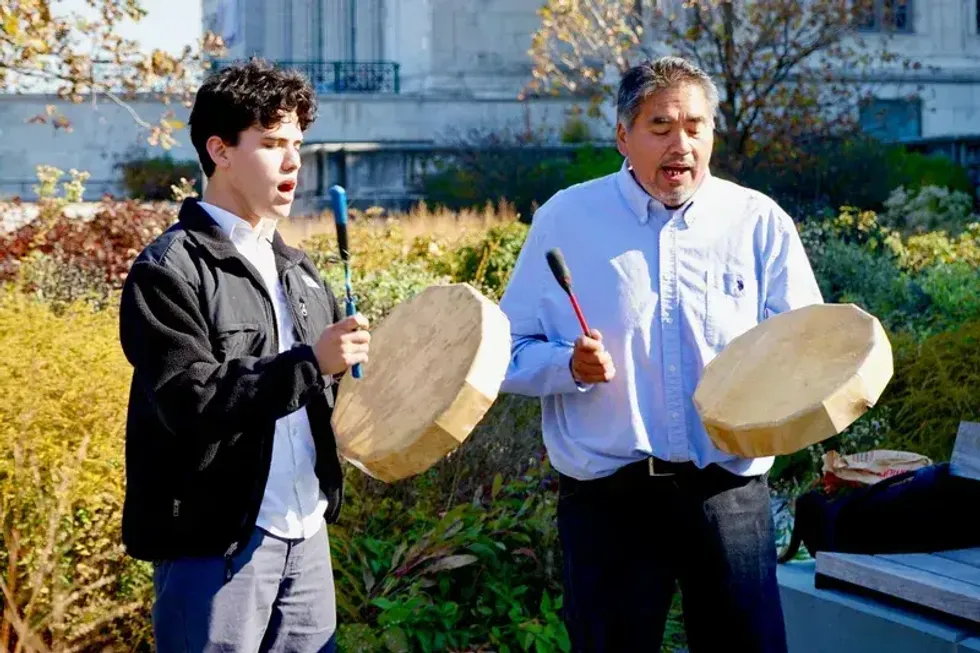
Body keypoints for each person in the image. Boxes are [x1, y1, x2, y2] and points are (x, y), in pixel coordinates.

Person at [498, 56, 824, 652]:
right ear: (623, 135)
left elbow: (805, 347)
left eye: (696, 127)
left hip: (728, 493)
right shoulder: (566, 219)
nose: (681, 144)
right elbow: (505, 350)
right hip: (608, 501)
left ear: (712, 134)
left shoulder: (758, 222)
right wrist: (567, 366)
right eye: (660, 127)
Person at [118, 58, 369, 652]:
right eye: (272, 143)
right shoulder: (167, 270)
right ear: (220, 151)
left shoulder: (301, 272)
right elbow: (191, 397)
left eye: (298, 144)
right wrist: (312, 362)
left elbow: (331, 399)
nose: (292, 162)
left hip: (305, 534)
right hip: (214, 545)